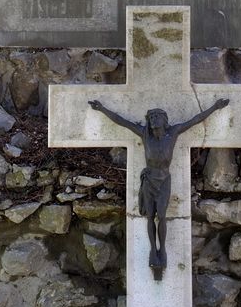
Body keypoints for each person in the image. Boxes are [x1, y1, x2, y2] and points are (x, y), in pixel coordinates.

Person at [89, 97, 229, 277]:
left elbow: (195, 119)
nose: (153, 120)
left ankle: (161, 249)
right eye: (151, 117)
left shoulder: (174, 133)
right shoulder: (144, 134)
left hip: (164, 180)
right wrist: (102, 109)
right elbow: (121, 121)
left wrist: (215, 107)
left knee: (161, 215)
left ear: (165, 120)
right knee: (149, 217)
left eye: (157, 116)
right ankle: (152, 251)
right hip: (149, 180)